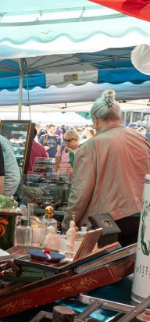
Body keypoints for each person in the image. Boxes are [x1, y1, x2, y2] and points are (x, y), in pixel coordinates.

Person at [65, 90, 150, 245]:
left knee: (106, 268)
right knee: (133, 267)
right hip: (142, 217)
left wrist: (68, 223)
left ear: (96, 119)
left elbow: (80, 193)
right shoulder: (140, 139)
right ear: (119, 117)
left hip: (109, 222)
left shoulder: (90, 146)